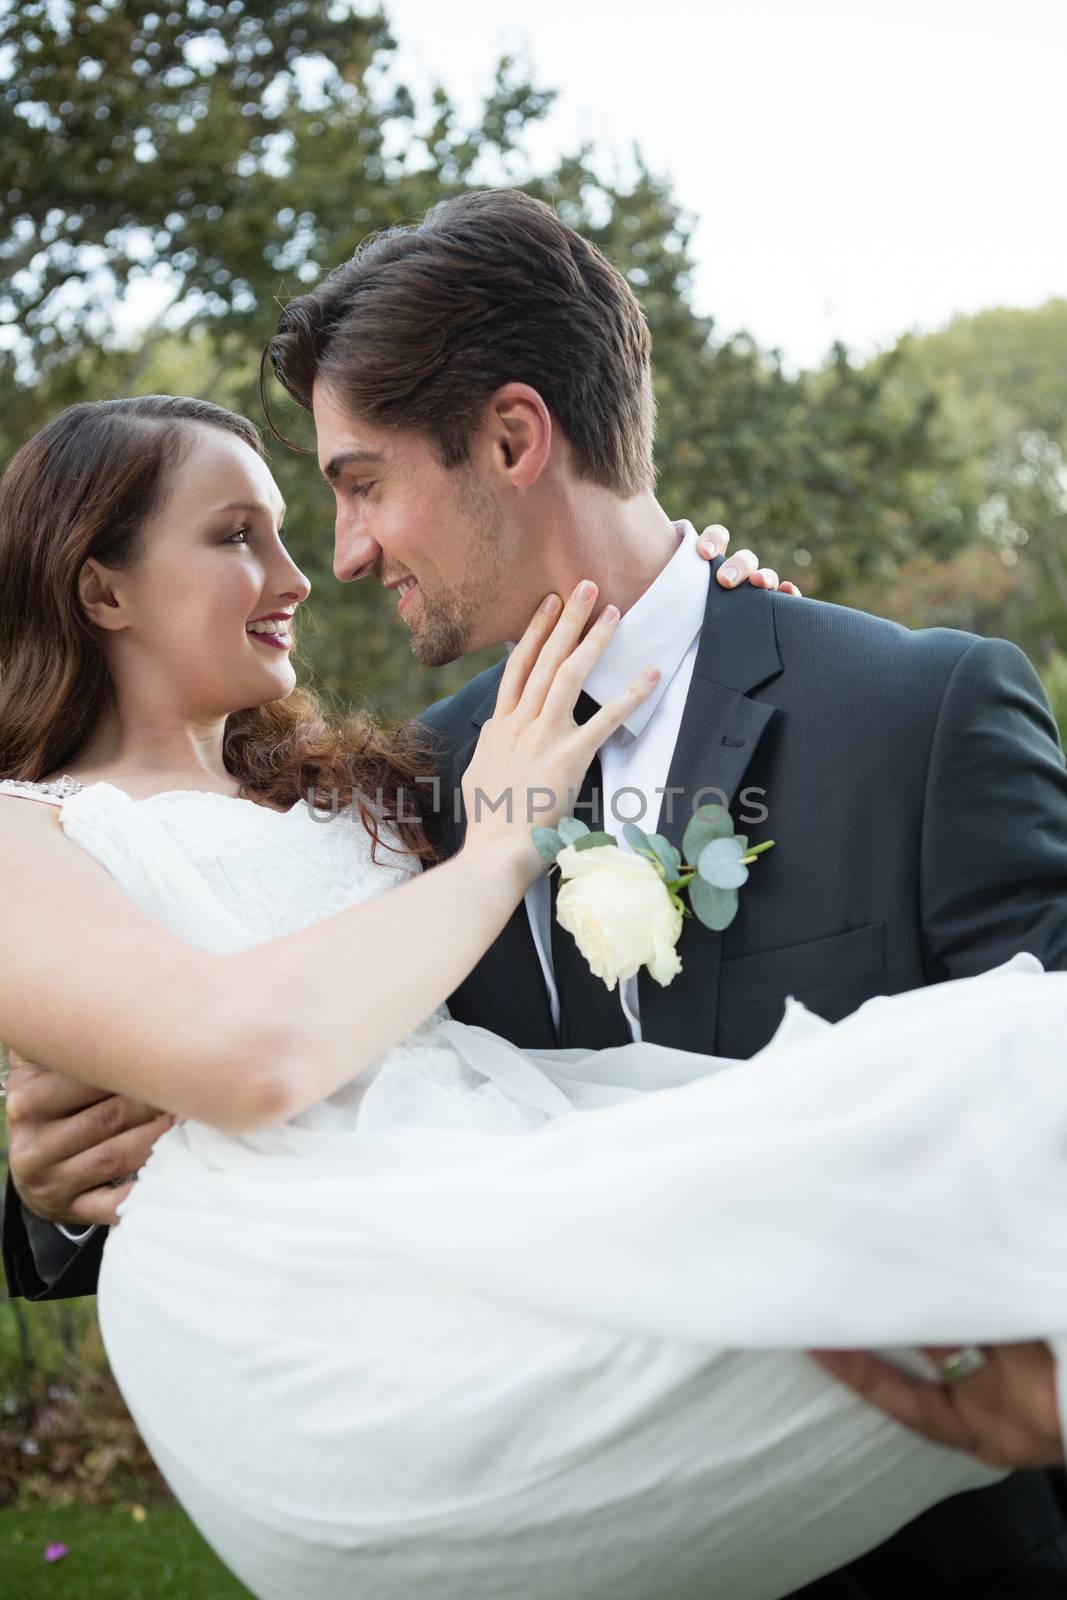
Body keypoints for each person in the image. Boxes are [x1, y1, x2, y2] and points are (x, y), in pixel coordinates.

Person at [4, 181, 1067, 1593]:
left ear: (513, 436)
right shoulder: (414, 797)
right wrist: (51, 1191)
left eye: (361, 482)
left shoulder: (912, 714)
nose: (345, 557)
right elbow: (281, 1066)